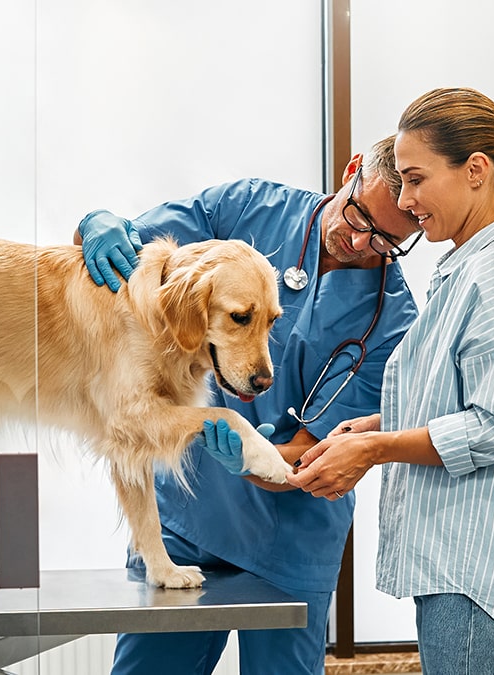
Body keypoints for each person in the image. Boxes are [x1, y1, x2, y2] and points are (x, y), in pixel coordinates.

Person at [73, 136, 422, 675]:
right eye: (358, 216)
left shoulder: (392, 321)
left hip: (292, 539)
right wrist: (96, 222)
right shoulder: (247, 209)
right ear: (352, 170)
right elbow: (133, 260)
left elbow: (310, 455)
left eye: (386, 241)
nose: (358, 242)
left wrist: (252, 456)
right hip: (187, 517)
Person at [286, 87, 494, 674]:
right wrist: (377, 424)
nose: (406, 199)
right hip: (462, 566)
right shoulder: (470, 268)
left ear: (475, 171)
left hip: (479, 571)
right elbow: (464, 400)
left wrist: (375, 448)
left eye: (416, 179)